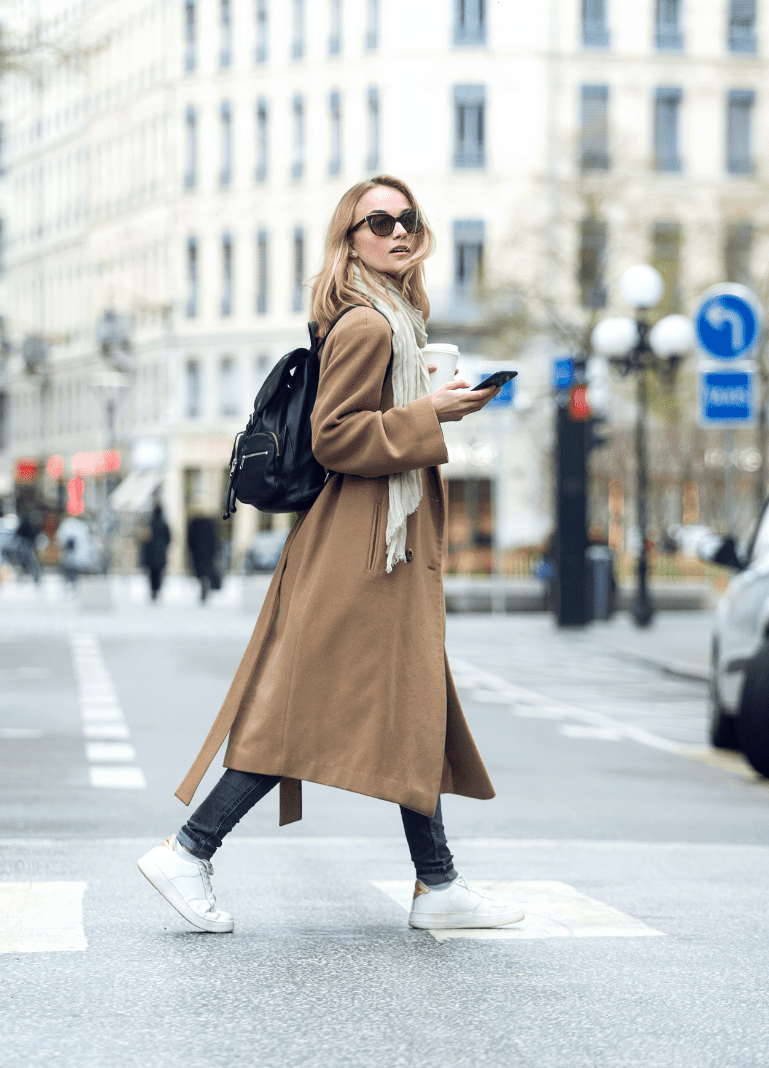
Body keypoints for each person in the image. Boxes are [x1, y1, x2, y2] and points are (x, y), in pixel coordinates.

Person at [137, 175, 522, 934]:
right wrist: (429, 412)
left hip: (379, 538)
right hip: (358, 542)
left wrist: (437, 405)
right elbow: (335, 436)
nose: (398, 232)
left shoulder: (395, 321)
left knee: (411, 701)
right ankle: (190, 850)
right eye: (378, 222)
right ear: (349, 239)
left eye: (408, 219)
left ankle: (437, 881)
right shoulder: (368, 327)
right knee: (307, 707)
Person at [186, 513, 220, 603]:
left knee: (201, 572)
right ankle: (205, 586)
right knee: (205, 571)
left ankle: (204, 587)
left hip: (199, 553)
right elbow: (214, 540)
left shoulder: (195, 524)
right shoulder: (210, 525)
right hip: (206, 553)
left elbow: (190, 540)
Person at [141, 502, 171, 602]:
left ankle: (153, 590)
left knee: (152, 573)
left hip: (150, 553)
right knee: (158, 573)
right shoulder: (164, 524)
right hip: (160, 552)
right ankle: (157, 589)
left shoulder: (149, 524)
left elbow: (144, 539)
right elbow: (169, 539)